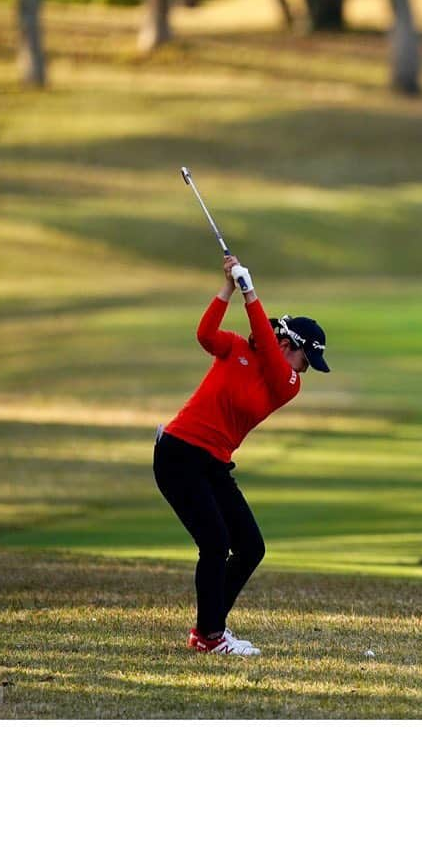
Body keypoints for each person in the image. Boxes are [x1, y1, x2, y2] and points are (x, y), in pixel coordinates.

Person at [153, 254, 330, 657]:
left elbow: (267, 349)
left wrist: (251, 292)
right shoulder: (235, 348)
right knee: (215, 542)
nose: (303, 372)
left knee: (250, 546)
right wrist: (231, 289)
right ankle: (211, 636)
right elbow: (204, 334)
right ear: (290, 345)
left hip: (213, 464)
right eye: (305, 362)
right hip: (179, 454)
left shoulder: (284, 384)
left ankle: (208, 629)